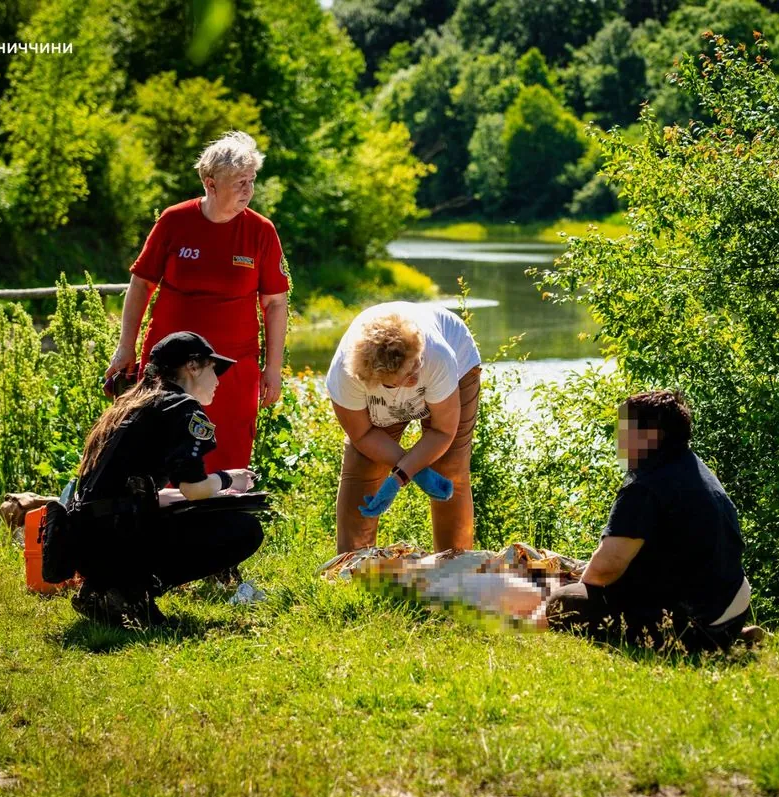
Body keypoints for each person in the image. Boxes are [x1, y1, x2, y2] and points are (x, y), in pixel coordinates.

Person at [104, 131, 290, 474]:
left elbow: (276, 303)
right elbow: (141, 284)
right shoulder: (175, 220)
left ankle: (219, 525)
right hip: (169, 367)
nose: (248, 190)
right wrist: (125, 347)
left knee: (227, 456)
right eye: (239, 182)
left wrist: (272, 369)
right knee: (157, 451)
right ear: (210, 182)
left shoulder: (261, 231)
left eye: (251, 181)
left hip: (233, 371)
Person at [67, 331, 264, 627]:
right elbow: (195, 489)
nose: (219, 379)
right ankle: (129, 593)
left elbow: (136, 495)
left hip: (89, 543)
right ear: (193, 367)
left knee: (216, 508)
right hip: (116, 540)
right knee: (244, 529)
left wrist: (214, 496)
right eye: (214, 368)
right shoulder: (181, 408)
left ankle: (105, 589)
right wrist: (229, 479)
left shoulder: (133, 405)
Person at [540, 390, 757, 651]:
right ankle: (732, 637)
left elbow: (605, 569)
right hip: (732, 609)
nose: (618, 441)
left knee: (564, 602)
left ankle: (704, 642)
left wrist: (575, 589)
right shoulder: (693, 468)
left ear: (651, 435)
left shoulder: (646, 485)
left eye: (624, 431)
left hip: (693, 624)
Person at [326, 302, 482, 554]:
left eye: (416, 365)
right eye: (408, 376)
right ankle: (353, 568)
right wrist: (411, 470)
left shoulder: (434, 355)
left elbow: (443, 431)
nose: (416, 376)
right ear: (376, 379)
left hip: (457, 365)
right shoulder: (346, 376)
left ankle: (455, 568)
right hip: (379, 389)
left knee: (449, 467)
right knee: (364, 465)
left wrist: (402, 474)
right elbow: (363, 434)